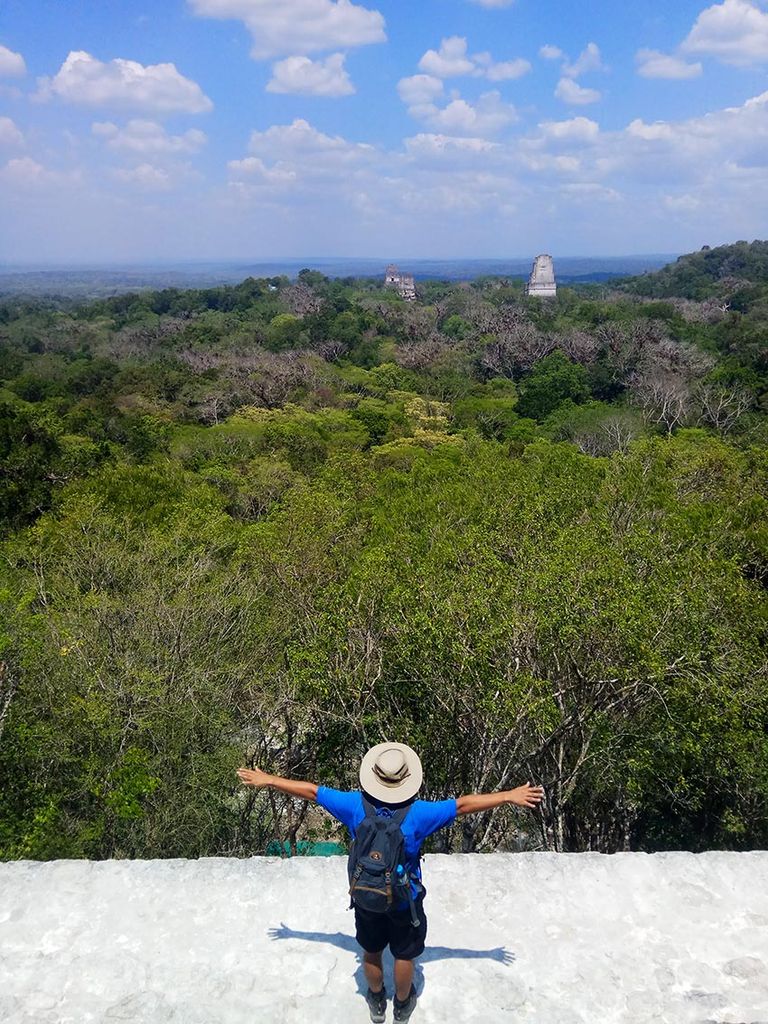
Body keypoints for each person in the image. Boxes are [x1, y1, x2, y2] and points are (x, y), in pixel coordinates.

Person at [237, 742, 544, 1023]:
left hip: (366, 895)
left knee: (370, 952)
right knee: (404, 955)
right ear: (407, 779)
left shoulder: (354, 806)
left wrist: (270, 780)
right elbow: (462, 805)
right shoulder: (420, 814)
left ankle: (375, 1002)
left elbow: (313, 792)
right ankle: (402, 1004)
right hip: (403, 899)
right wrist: (508, 796)